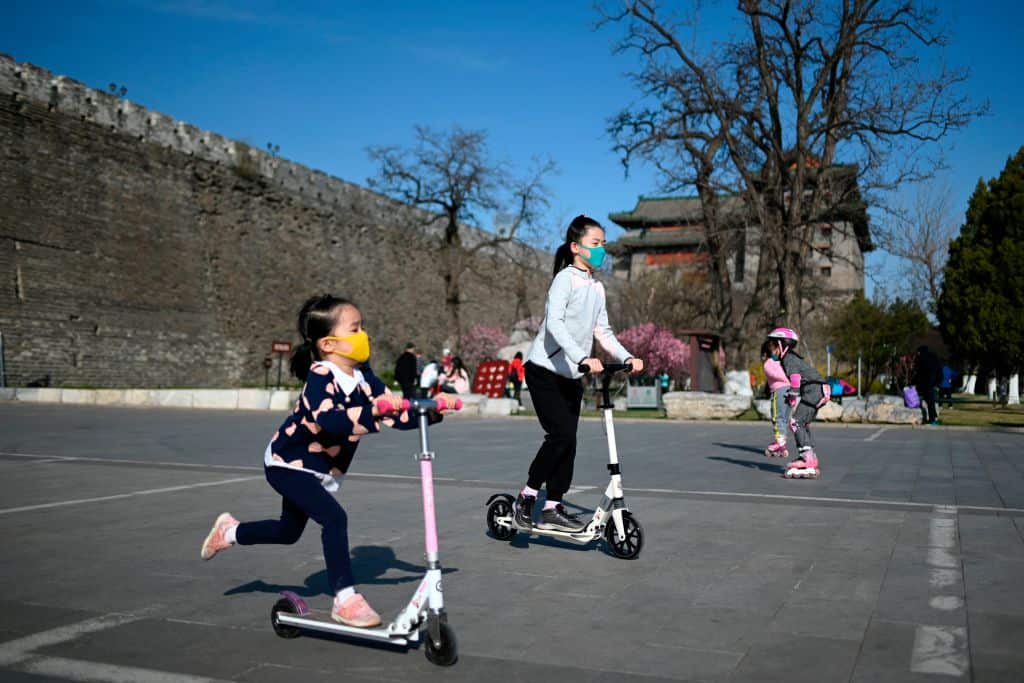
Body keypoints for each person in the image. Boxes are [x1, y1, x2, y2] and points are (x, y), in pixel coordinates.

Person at [199, 295, 448, 628]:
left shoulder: (364, 377)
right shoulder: (321, 376)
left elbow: (392, 413)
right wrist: (374, 411)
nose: (364, 335)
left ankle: (230, 532)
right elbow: (330, 421)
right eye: (356, 329)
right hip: (288, 463)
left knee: (288, 531)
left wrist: (427, 412)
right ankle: (345, 599)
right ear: (330, 343)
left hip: (319, 471)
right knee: (334, 518)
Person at [514, 215, 644, 531]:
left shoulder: (597, 287)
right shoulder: (565, 279)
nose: (601, 250)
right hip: (544, 370)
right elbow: (554, 323)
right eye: (595, 244)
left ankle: (553, 505)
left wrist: (628, 357)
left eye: (603, 244)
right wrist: (581, 357)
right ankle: (527, 497)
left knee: (569, 441)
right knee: (559, 435)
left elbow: (603, 331)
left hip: (571, 375)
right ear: (576, 247)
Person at [767, 327, 829, 479]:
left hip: (814, 391)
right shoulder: (792, 358)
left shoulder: (788, 359)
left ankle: (806, 458)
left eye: (774, 345)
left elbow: (795, 379)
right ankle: (811, 456)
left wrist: (793, 393)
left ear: (782, 344)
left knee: (795, 423)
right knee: (803, 423)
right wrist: (793, 396)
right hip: (818, 389)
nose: (771, 349)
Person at [761, 340, 791, 458]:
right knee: (779, 417)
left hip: (784, 391)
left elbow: (784, 377)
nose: (777, 351)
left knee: (781, 418)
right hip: (782, 390)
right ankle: (781, 443)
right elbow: (778, 376)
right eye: (774, 349)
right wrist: (789, 379)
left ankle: (780, 442)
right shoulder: (768, 363)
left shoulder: (784, 362)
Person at [913, 345, 942, 424]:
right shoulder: (934, 356)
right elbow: (939, 369)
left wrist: (914, 382)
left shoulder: (920, 358)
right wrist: (938, 381)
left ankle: (932, 419)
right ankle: (934, 417)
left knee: (929, 400)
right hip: (933, 382)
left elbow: (918, 371)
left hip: (924, 382)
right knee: (931, 400)